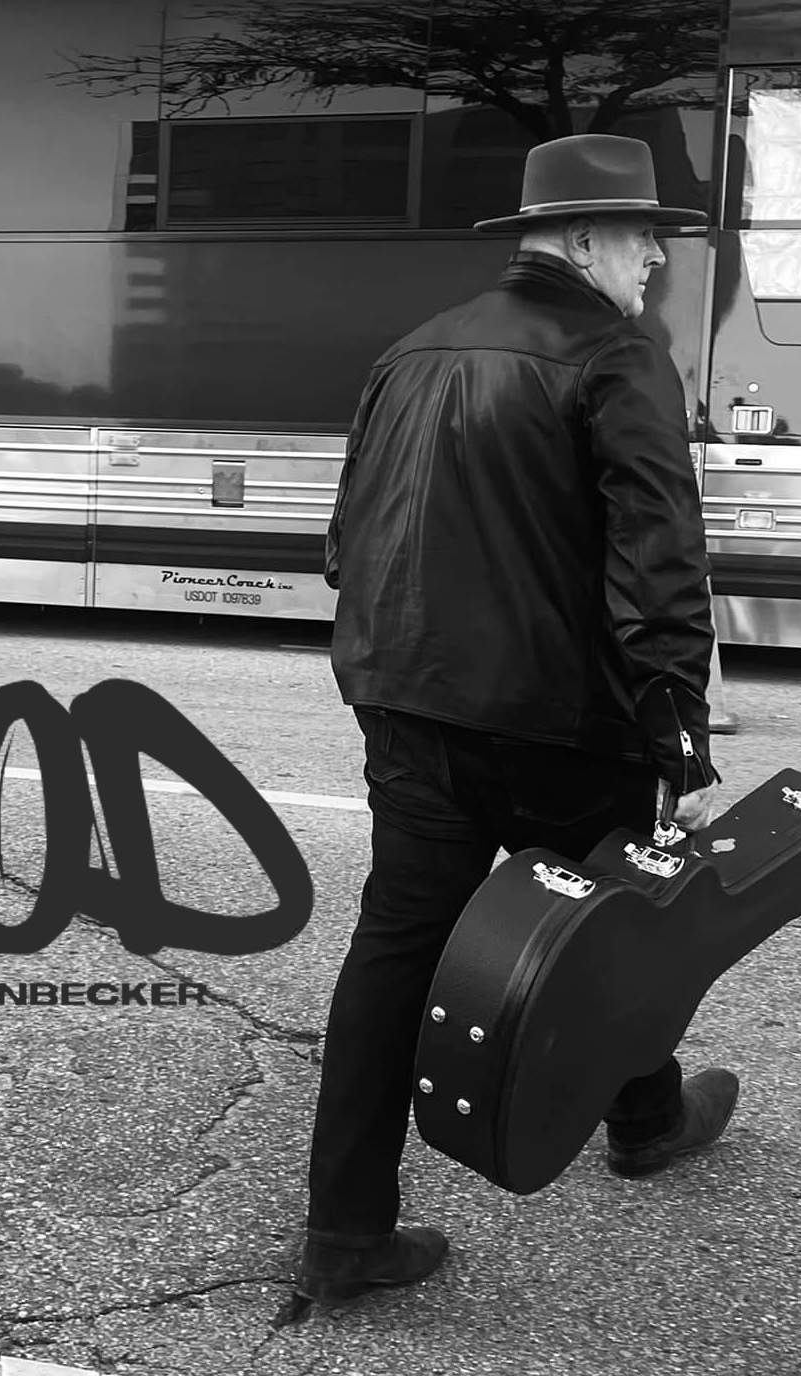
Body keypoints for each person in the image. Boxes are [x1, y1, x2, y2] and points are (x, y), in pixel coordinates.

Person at [296, 134, 738, 1307]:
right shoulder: (617, 355)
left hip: (406, 701)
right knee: (623, 916)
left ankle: (345, 1230)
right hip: (558, 719)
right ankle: (646, 1118)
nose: (653, 260)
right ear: (587, 239)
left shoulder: (410, 351)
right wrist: (675, 727)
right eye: (644, 237)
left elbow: (345, 539)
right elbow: (658, 562)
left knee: (395, 955)